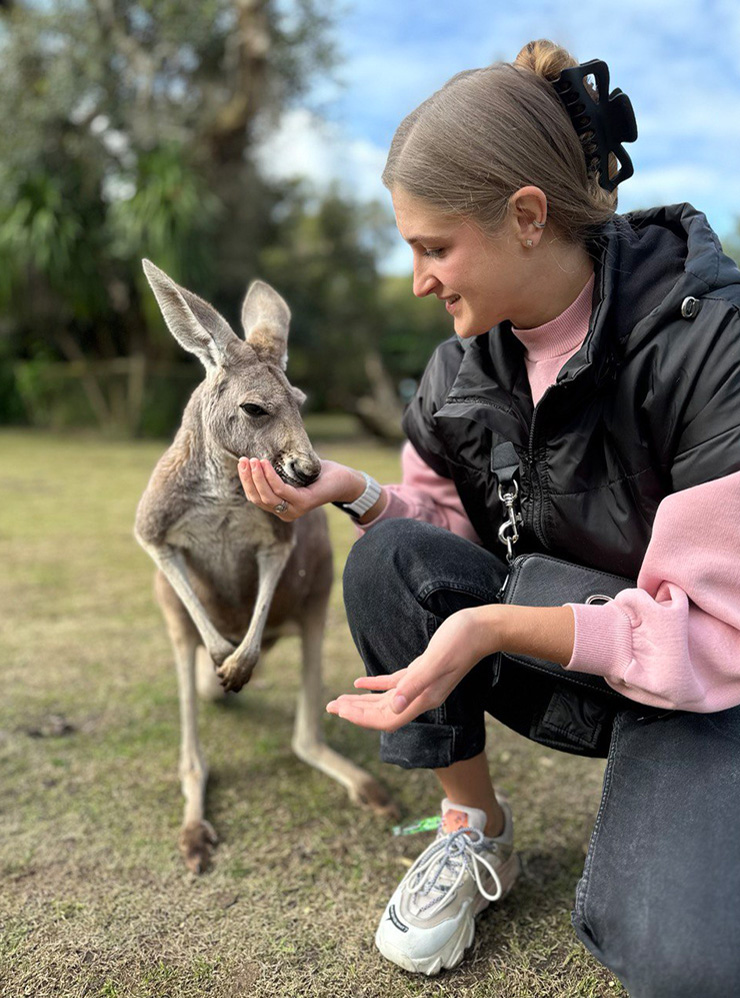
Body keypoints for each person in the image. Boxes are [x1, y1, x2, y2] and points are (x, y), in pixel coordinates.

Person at [236, 39, 740, 997]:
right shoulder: (457, 373)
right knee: (387, 554)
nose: (421, 279)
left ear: (525, 216)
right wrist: (353, 491)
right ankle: (475, 831)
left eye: (435, 247)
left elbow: (717, 633)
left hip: (709, 683)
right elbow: (441, 547)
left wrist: (497, 623)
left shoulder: (713, 345)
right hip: (582, 649)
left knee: (689, 966)